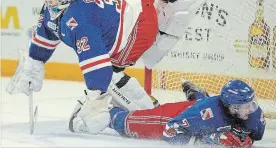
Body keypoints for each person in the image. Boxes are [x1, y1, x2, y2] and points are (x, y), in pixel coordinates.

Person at [6, 0, 207, 114]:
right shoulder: (56, 10)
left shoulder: (78, 20)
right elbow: (46, 35)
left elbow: (98, 65)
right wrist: (34, 63)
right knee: (110, 77)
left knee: (110, 77)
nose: (49, 4)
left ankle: (150, 110)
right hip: (132, 6)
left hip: (140, 25)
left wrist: (95, 101)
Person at [71, 79, 265, 147]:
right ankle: (98, 111)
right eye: (246, 105)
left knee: (199, 106)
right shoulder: (206, 113)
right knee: (128, 124)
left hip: (196, 111)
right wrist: (208, 140)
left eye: (251, 103)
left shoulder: (253, 113)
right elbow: (170, 131)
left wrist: (244, 137)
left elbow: (255, 134)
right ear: (232, 107)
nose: (252, 108)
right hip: (171, 117)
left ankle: (196, 95)